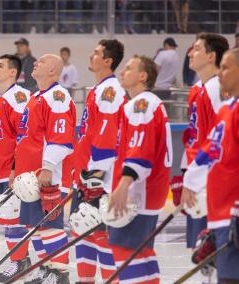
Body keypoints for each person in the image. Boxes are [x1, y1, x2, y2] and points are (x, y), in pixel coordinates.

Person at [108, 55, 173, 283]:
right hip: (149, 190)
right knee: (143, 252)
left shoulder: (141, 103)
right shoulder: (148, 103)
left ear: (142, 76)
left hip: (139, 190)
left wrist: (124, 184)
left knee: (125, 249)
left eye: (128, 68)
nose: (122, 71)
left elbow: (140, 148)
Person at [14, 54, 76, 283]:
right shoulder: (36, 97)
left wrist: (48, 169)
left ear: (52, 70)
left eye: (40, 61)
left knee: (50, 225)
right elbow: (26, 138)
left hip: (49, 175)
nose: (35, 63)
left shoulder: (57, 97)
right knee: (36, 226)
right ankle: (46, 268)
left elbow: (61, 139)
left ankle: (59, 273)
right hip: (31, 175)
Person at [183, 48, 239, 283]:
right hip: (220, 215)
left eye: (226, 68)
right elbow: (211, 151)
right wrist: (190, 179)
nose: (221, 74)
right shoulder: (227, 110)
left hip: (233, 212)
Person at [72, 39, 126, 283]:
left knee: (99, 231)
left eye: (96, 53)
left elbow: (107, 141)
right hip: (85, 174)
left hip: (97, 177)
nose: (91, 55)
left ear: (108, 61)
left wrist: (96, 180)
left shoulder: (111, 90)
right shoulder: (99, 89)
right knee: (82, 228)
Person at [0, 54, 31, 282]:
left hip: (17, 172)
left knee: (16, 219)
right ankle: (20, 260)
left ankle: (21, 262)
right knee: (6, 218)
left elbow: (25, 135)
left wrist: (14, 167)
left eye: (1, 65)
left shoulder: (19, 98)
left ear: (13, 72)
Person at [180, 33, 229, 254]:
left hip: (210, 180)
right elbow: (194, 134)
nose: (190, 53)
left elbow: (220, 139)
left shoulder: (218, 89)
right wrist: (183, 172)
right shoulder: (197, 88)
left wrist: (197, 175)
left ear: (211, 56)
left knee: (213, 252)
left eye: (196, 49)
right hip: (196, 175)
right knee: (200, 253)